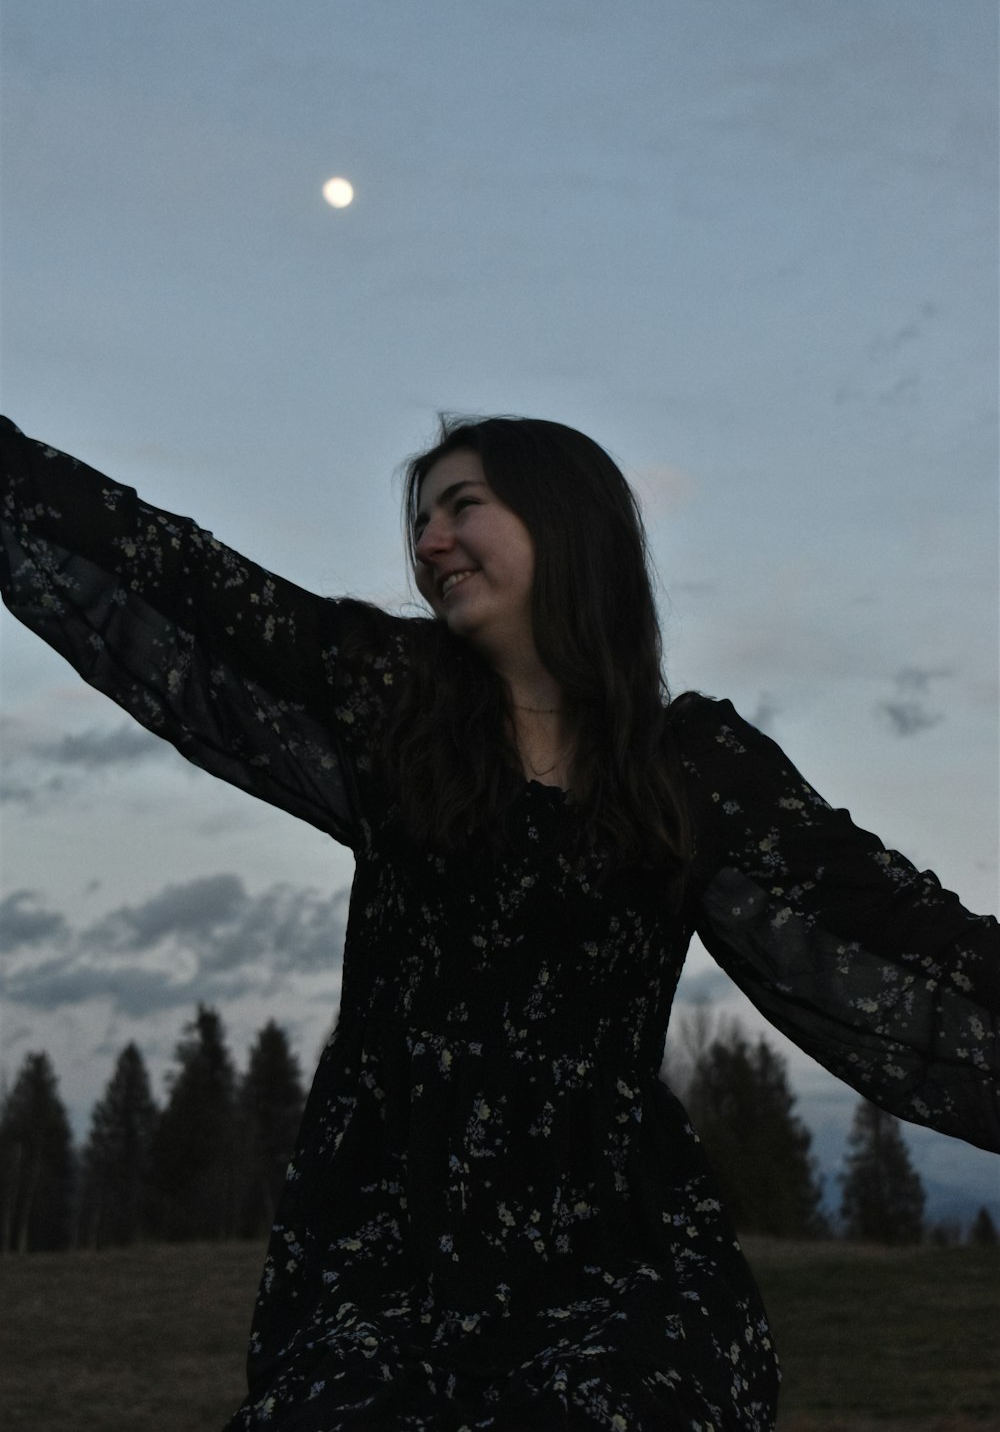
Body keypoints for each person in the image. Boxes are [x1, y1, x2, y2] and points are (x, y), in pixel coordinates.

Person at [1, 410, 997, 1432]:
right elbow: (174, 573)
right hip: (387, 1268)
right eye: (421, 519)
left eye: (462, 507)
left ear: (566, 523)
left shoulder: (694, 769)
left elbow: (912, 946)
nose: (427, 544)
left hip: (621, 1268)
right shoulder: (390, 699)